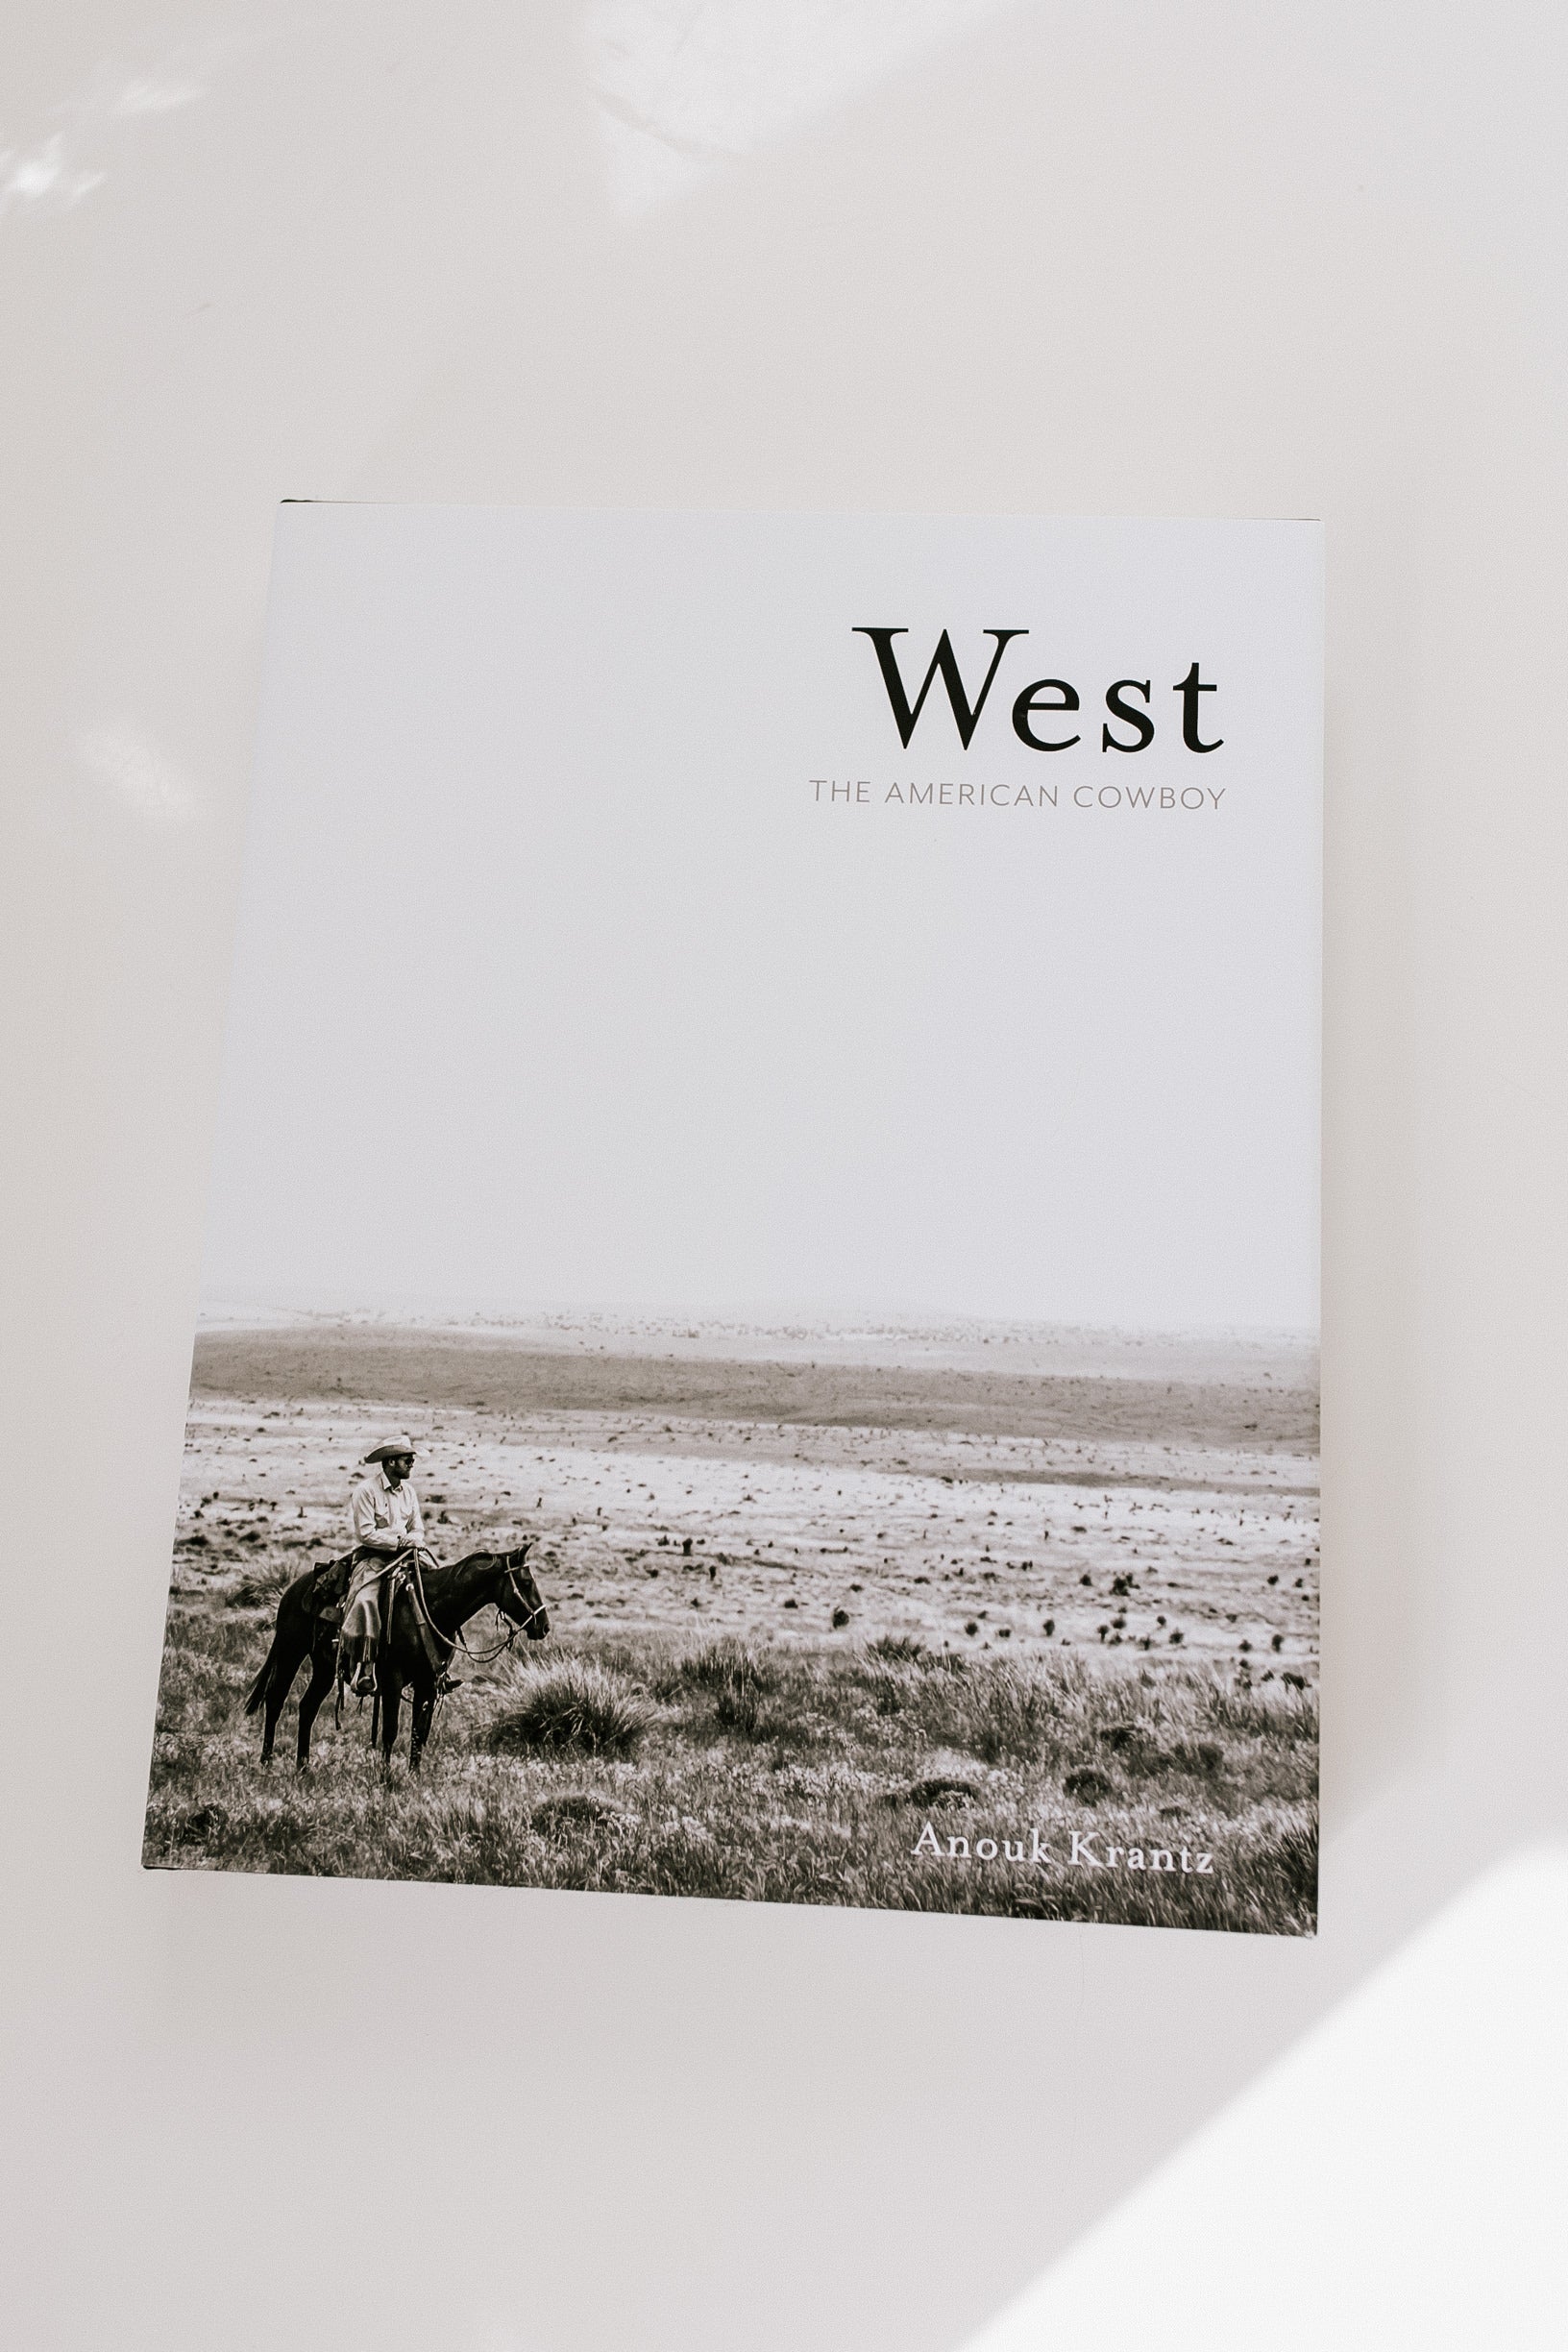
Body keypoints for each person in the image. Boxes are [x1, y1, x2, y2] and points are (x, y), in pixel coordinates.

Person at [341, 1436, 425, 1698]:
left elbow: (417, 1527)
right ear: (390, 1463)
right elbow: (366, 1533)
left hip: (408, 1555)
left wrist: (414, 1540)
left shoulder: (409, 1492)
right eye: (406, 1459)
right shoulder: (366, 1491)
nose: (411, 1463)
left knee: (441, 1588)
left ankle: (436, 1666)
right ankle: (365, 1666)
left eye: (411, 1459)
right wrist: (399, 1542)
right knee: (365, 1601)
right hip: (373, 1559)